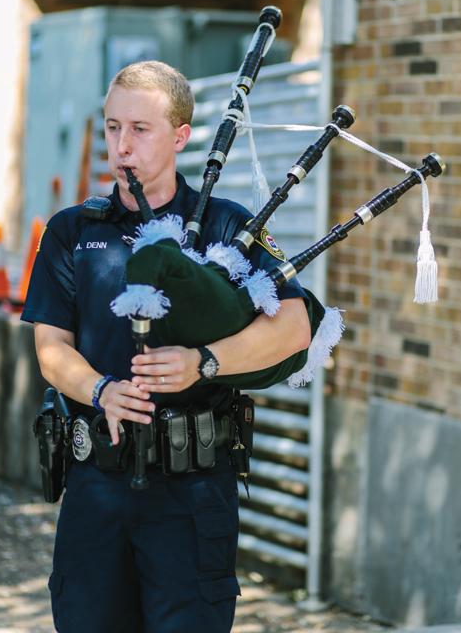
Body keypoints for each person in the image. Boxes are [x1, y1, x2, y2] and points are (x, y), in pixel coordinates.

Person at [22, 60, 311, 633]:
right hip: (96, 487)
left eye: (140, 129)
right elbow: (50, 345)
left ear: (180, 136)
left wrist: (203, 362)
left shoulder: (230, 227)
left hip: (191, 491)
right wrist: (100, 390)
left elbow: (296, 325)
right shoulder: (72, 231)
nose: (121, 145)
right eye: (111, 127)